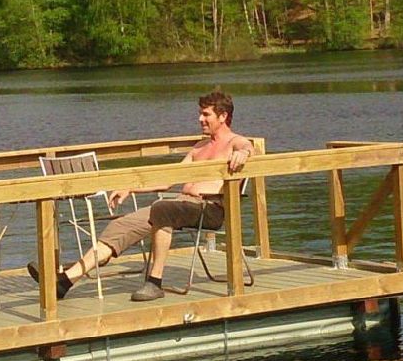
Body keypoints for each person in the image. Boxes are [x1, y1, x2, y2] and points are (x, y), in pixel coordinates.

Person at [28, 90, 253, 302]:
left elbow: (249, 147)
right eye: (200, 114)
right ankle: (65, 282)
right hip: (179, 205)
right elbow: (167, 180)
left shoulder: (234, 143)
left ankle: (154, 282)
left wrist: (244, 154)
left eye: (206, 114)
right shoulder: (200, 146)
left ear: (223, 116)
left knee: (162, 209)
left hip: (210, 209)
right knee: (121, 225)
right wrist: (131, 188)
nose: (200, 119)